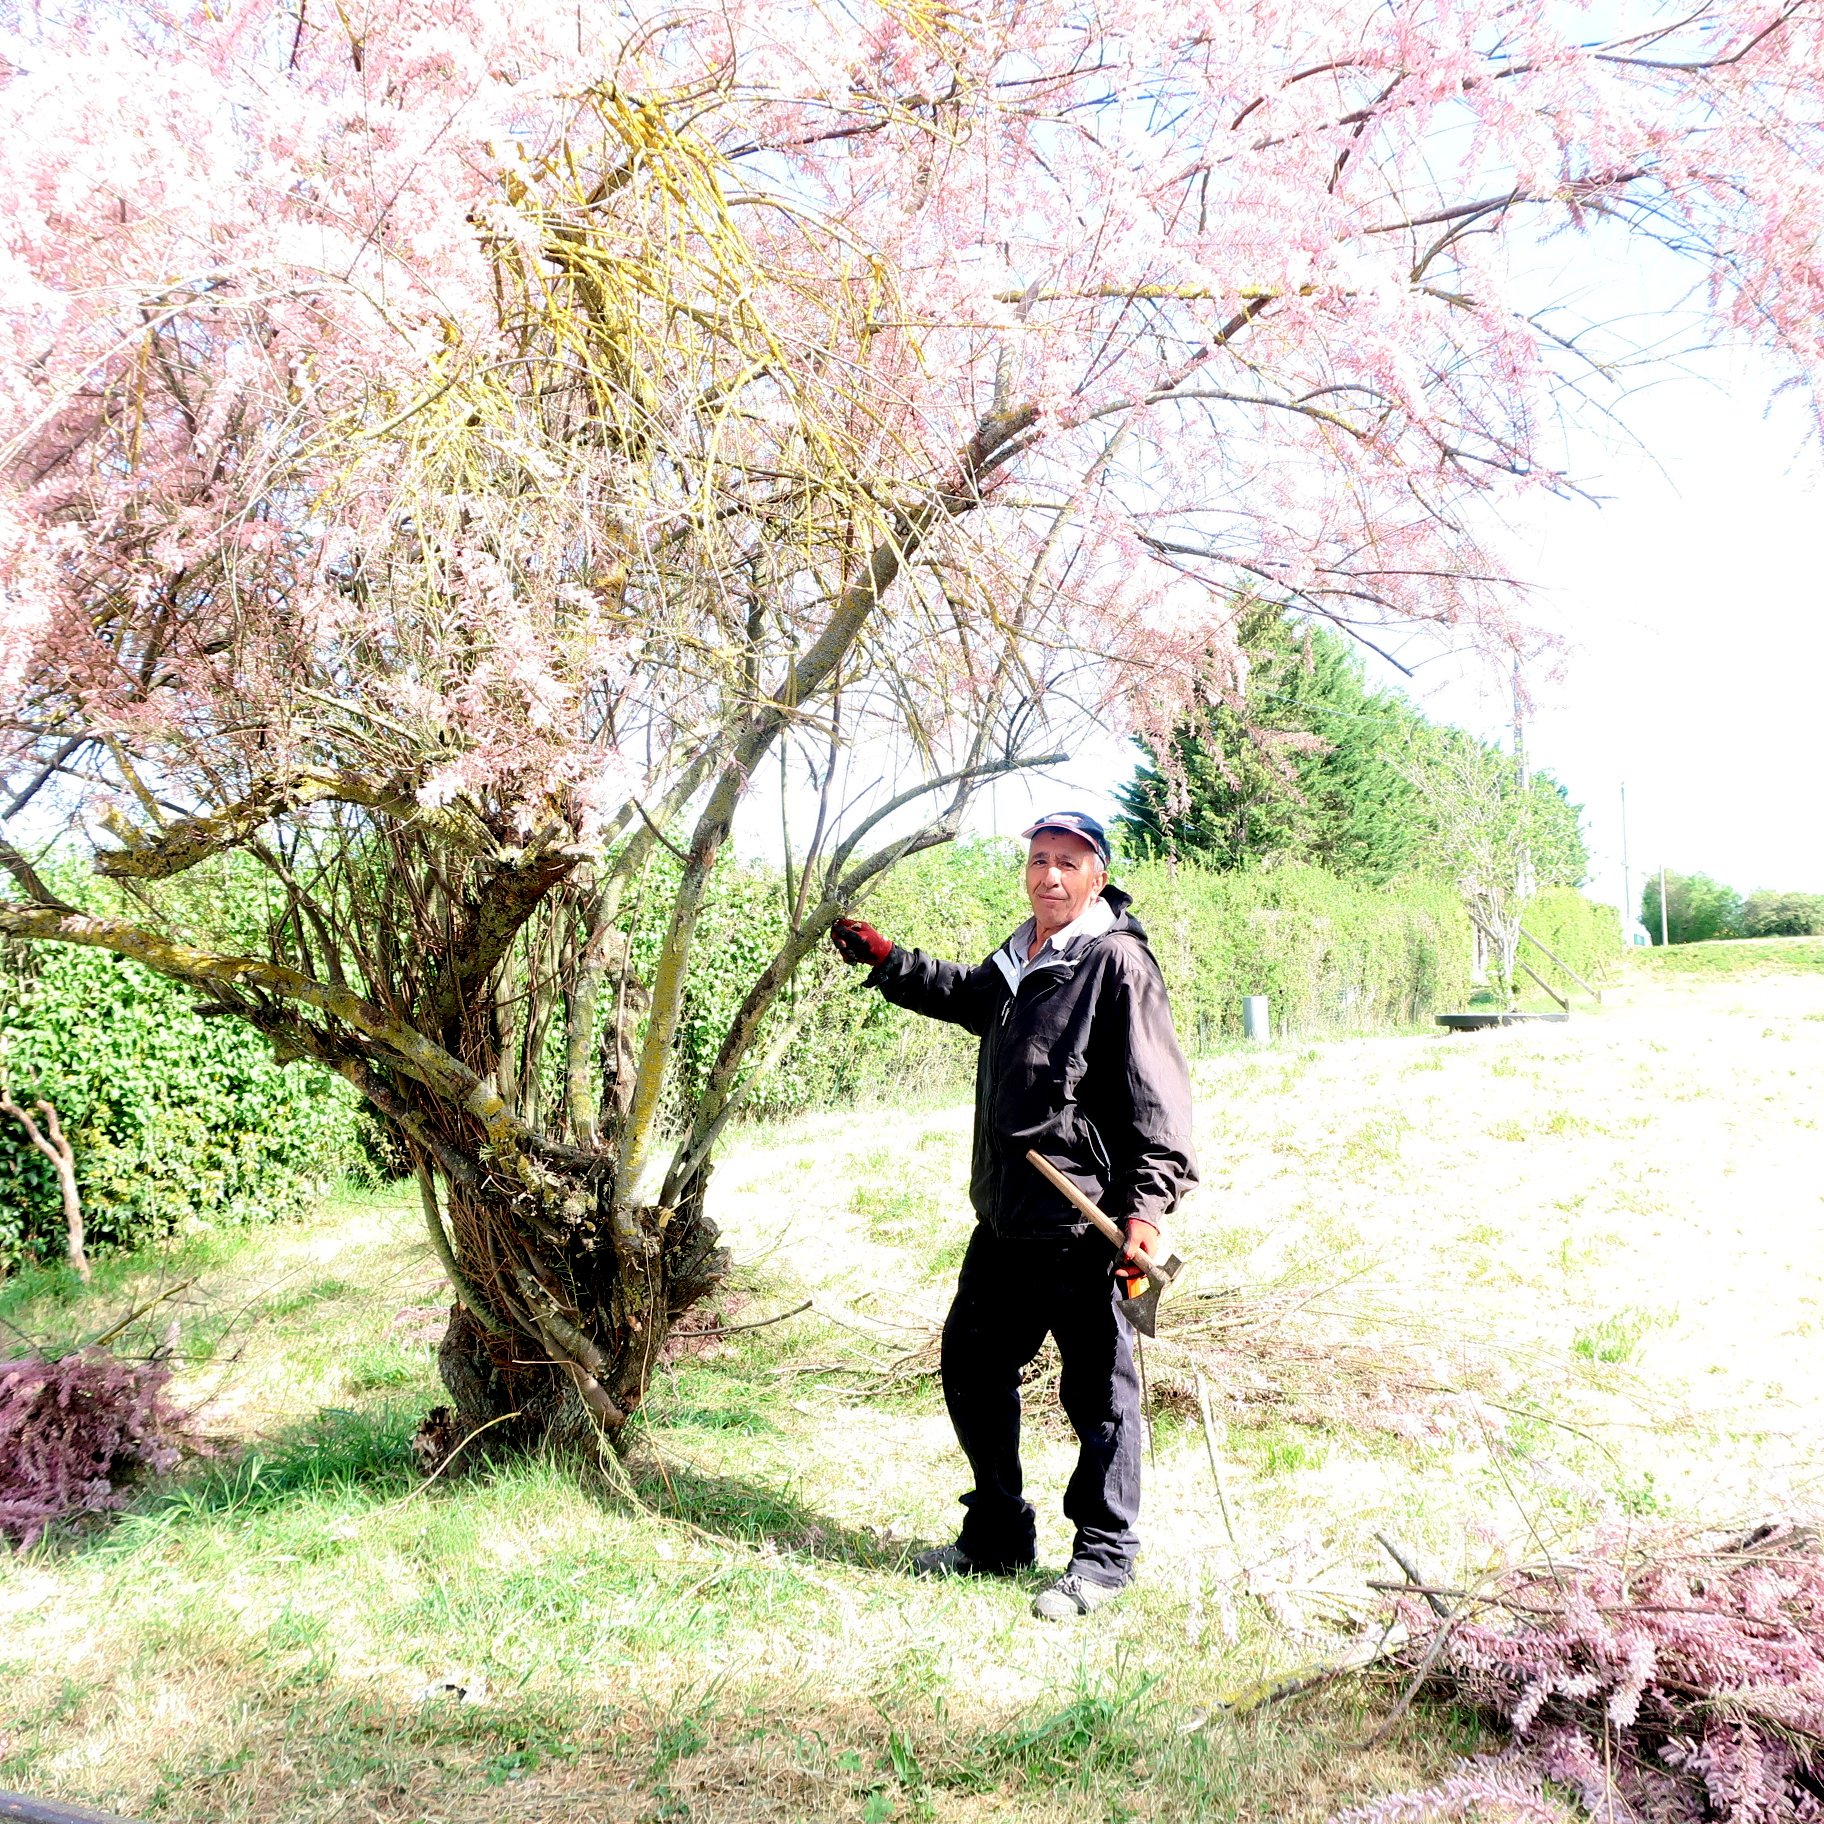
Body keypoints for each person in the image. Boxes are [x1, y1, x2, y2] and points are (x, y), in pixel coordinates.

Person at [831, 811, 1197, 1620]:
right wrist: (890, 961)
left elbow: (1157, 1102)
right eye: (1038, 861)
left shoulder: (1115, 963)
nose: (1049, 877)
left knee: (1098, 1398)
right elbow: (968, 996)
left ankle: (1103, 1557)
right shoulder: (1026, 951)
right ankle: (998, 1535)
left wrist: (1144, 1215)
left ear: (1097, 876)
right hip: (1004, 1221)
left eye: (1068, 863)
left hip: (1081, 1226)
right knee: (970, 1367)